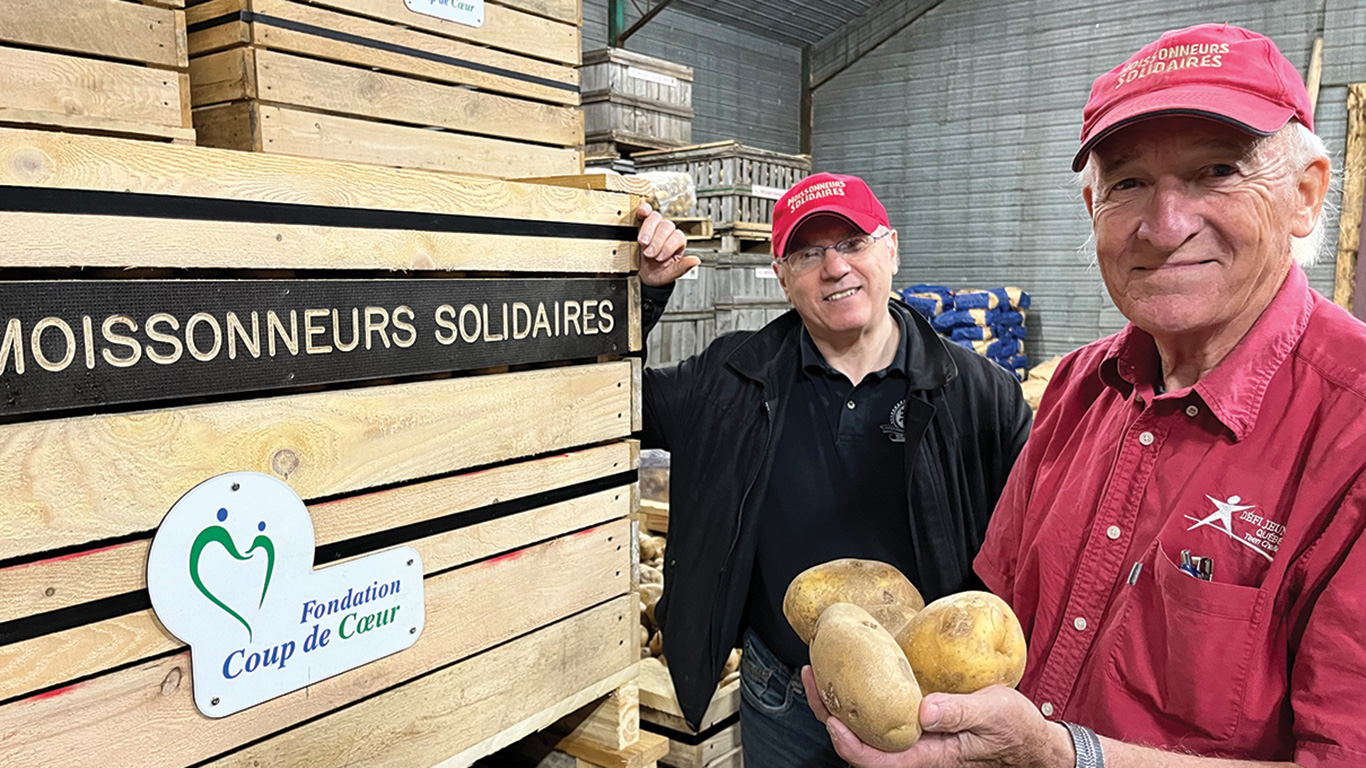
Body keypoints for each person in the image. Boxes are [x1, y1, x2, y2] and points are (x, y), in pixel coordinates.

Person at [798, 23, 1366, 768]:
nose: (1165, 226)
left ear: (1305, 195)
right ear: (1093, 206)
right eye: (1128, 183)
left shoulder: (1349, 429)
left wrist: (1064, 756)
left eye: (1216, 171)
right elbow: (996, 618)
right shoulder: (1075, 388)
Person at [634, 173, 1032, 767]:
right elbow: (612, 406)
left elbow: (1034, 542)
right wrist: (639, 299)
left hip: (930, 701)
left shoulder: (979, 394)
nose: (834, 268)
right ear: (783, 277)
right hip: (783, 697)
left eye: (852, 244)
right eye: (808, 253)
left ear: (890, 248)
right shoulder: (729, 379)